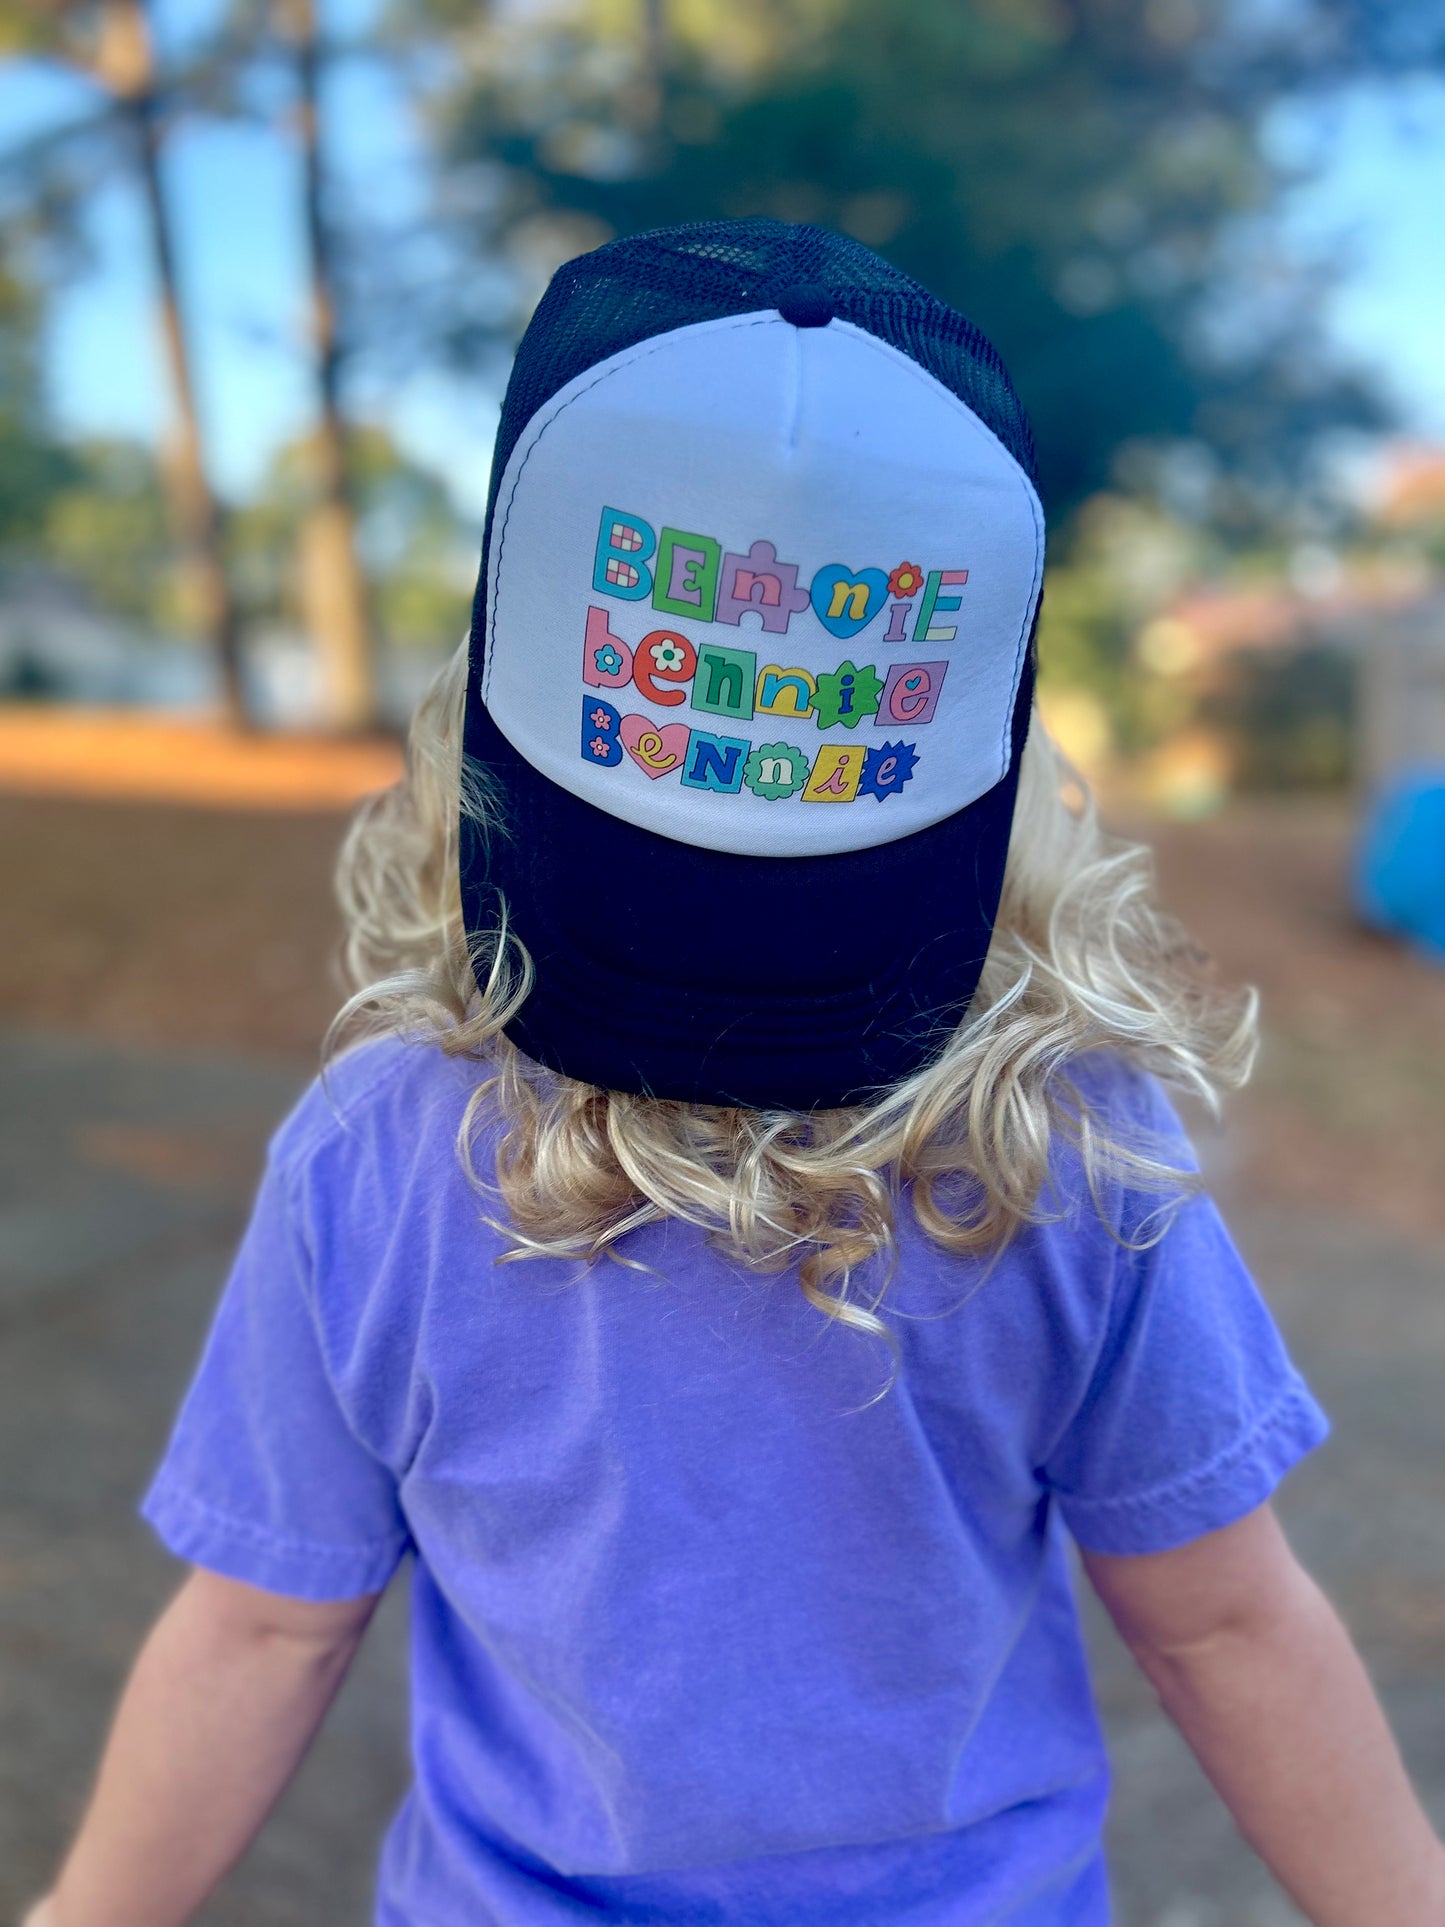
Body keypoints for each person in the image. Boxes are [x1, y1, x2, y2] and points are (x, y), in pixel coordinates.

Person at [23, 221, 1445, 1927]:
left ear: (483, 723)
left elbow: (265, 1619)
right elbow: (1217, 1615)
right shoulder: (1058, 1148)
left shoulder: (382, 1152)